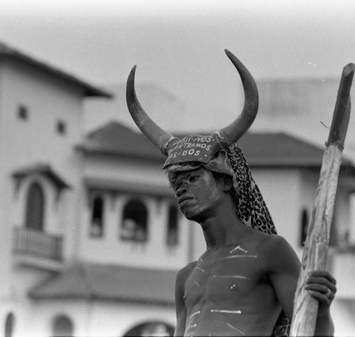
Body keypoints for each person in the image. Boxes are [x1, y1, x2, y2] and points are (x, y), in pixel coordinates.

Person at [126, 50, 336, 336]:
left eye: (193, 177)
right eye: (176, 181)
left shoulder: (271, 251)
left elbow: (308, 331)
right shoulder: (186, 277)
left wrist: (321, 311)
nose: (181, 187)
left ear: (226, 181)